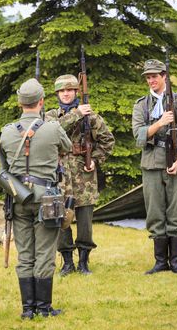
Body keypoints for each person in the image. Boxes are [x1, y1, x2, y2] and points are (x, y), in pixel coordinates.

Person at [0, 78, 71, 319]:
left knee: (25, 253)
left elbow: (3, 170)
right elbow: (67, 146)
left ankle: (27, 310)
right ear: (41, 101)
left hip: (19, 200)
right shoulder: (52, 127)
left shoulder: (7, 132)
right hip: (46, 200)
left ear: (20, 103)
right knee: (45, 253)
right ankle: (43, 308)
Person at [46, 74, 115, 276]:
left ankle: (84, 262)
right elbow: (52, 132)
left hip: (83, 177)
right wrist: (76, 113)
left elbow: (108, 141)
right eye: (61, 91)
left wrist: (95, 159)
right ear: (57, 94)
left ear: (76, 91)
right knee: (61, 220)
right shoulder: (50, 116)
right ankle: (67, 262)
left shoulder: (91, 117)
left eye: (69, 90)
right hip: (59, 175)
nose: (66, 94)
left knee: (85, 222)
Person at [132, 59, 177, 275]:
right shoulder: (142, 105)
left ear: (164, 76)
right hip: (152, 163)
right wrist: (160, 123)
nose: (151, 80)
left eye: (155, 76)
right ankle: (160, 261)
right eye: (148, 77)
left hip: (176, 162)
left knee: (176, 211)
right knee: (155, 212)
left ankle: (176, 261)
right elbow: (139, 136)